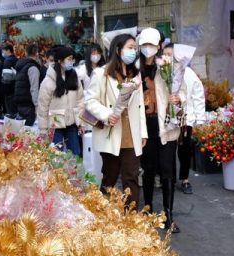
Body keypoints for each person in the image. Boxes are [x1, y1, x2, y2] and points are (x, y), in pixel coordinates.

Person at [85, 34, 147, 208]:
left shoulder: (135, 75)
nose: (133, 51)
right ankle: (104, 215)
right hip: (111, 132)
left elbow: (140, 106)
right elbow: (90, 101)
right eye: (130, 47)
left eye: (135, 48)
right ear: (118, 50)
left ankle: (131, 217)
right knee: (110, 177)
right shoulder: (101, 73)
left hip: (131, 134)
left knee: (132, 177)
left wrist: (142, 133)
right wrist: (106, 114)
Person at [138, 28, 186, 233]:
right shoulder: (133, 69)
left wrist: (178, 98)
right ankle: (147, 211)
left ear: (158, 46)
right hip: (144, 126)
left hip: (166, 126)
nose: (148, 49)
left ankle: (168, 215)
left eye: (152, 45)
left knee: (167, 171)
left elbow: (182, 91)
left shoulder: (168, 66)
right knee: (148, 170)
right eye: (144, 45)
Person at [163, 43, 206, 194]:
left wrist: (200, 120)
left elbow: (198, 97)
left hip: (185, 120)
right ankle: (170, 178)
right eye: (165, 55)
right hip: (167, 119)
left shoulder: (188, 73)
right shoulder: (162, 73)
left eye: (171, 55)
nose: (168, 58)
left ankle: (185, 178)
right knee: (168, 150)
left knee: (184, 150)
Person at [38, 46, 84, 156]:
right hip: (55, 125)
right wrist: (43, 129)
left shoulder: (74, 76)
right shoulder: (48, 81)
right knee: (56, 156)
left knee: (75, 155)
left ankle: (75, 173)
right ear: (60, 61)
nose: (71, 62)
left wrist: (81, 122)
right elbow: (43, 107)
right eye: (69, 59)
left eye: (72, 59)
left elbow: (81, 100)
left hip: (72, 123)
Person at [13, 44, 41, 126]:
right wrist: (37, 106)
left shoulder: (21, 66)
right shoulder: (33, 68)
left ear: (25, 53)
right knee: (30, 132)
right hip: (29, 105)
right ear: (37, 54)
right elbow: (34, 88)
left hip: (20, 104)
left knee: (23, 134)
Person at [1, 44, 18, 117]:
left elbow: (6, 78)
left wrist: (4, 90)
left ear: (8, 50)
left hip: (9, 89)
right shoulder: (16, 59)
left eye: (3, 51)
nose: (3, 53)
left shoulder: (7, 61)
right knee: (15, 110)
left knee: (10, 112)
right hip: (16, 87)